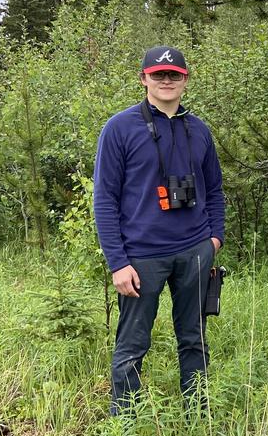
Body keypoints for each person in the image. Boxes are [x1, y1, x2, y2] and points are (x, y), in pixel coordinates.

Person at [93, 45, 225, 415]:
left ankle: (199, 417)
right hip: (141, 257)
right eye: (158, 75)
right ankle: (125, 429)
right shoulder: (119, 128)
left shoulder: (199, 130)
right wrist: (118, 262)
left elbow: (214, 189)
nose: (166, 81)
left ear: (185, 80)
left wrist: (214, 239)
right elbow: (104, 199)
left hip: (194, 251)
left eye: (174, 75)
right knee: (132, 345)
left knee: (194, 339)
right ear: (144, 79)